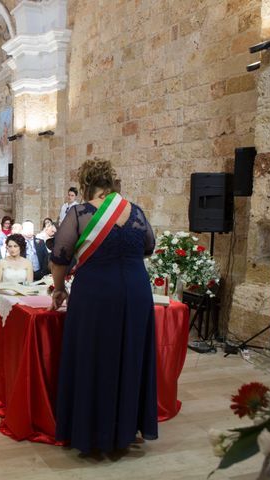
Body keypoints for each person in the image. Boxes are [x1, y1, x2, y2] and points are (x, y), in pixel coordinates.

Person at [50, 159, 157, 454]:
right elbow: (149, 246)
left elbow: (59, 256)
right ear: (111, 184)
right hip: (136, 290)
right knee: (130, 353)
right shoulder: (134, 211)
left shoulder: (80, 213)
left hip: (96, 293)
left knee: (93, 355)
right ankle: (128, 426)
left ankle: (91, 431)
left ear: (85, 184)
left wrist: (59, 289)